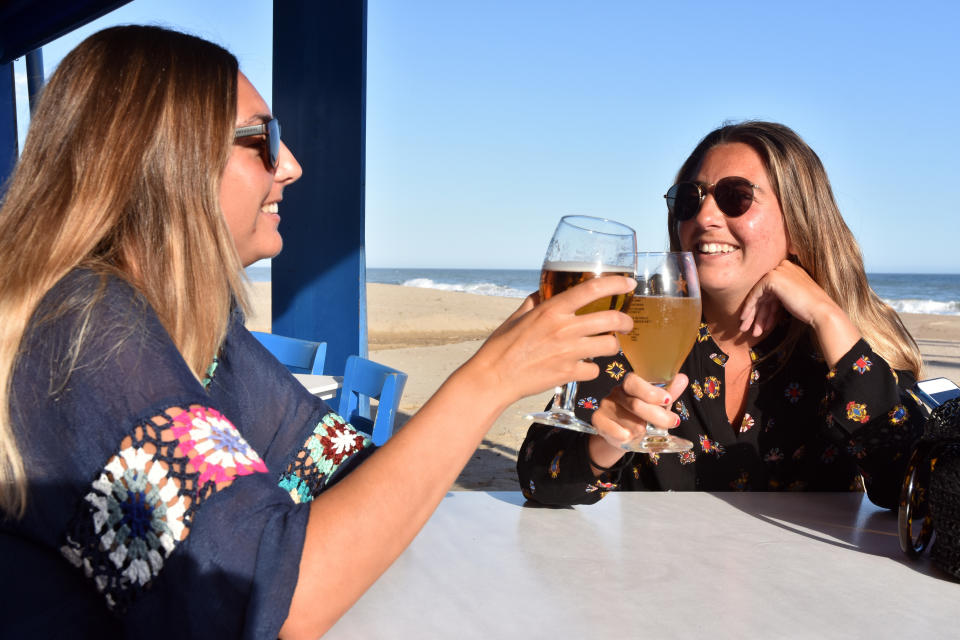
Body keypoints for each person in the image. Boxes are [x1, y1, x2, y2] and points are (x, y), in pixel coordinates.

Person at [0, 26, 635, 639]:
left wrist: (501, 360)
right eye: (263, 139)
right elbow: (275, 596)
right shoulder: (83, 331)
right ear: (165, 162)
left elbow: (340, 472)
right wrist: (487, 382)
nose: (292, 165)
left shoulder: (200, 332)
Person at [518, 121, 925, 509]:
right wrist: (607, 439)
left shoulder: (846, 346)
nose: (705, 217)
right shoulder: (638, 327)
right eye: (690, 199)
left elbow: (914, 491)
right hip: (656, 579)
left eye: (736, 196)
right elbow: (540, 481)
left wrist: (826, 317)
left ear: (800, 226)